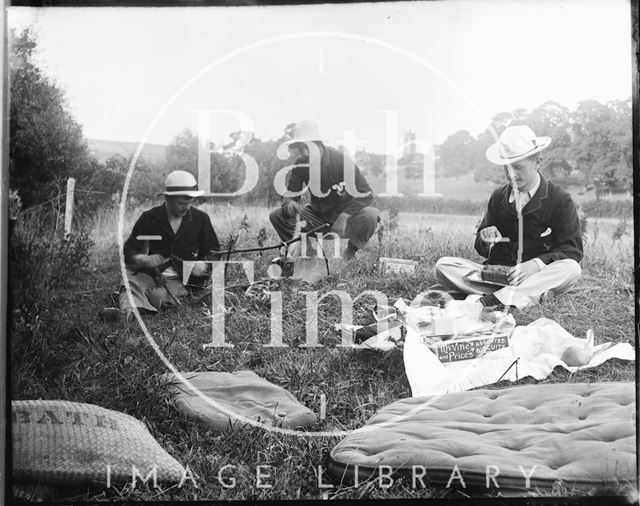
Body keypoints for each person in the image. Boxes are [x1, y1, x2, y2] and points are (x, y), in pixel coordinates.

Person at [434, 125, 583, 309]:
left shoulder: (560, 199)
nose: (512, 174)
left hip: (535, 276)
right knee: (444, 266)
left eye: (518, 168)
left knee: (571, 269)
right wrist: (485, 240)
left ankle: (495, 299)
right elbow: (481, 246)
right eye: (507, 168)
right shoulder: (498, 197)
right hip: (497, 277)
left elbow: (572, 250)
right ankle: (517, 296)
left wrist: (535, 265)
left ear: (538, 161)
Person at [100, 170, 219, 320]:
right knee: (131, 280)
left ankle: (134, 300)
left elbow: (214, 251)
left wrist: (204, 264)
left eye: (189, 202)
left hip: (182, 280)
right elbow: (130, 249)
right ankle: (129, 313)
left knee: (156, 296)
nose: (186, 207)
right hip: (151, 274)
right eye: (181, 203)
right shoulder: (149, 218)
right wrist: (141, 259)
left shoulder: (200, 219)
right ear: (168, 199)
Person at [269, 120, 379, 260]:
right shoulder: (300, 163)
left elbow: (366, 194)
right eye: (301, 148)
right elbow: (290, 193)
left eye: (308, 147)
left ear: (319, 144)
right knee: (277, 215)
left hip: (348, 221)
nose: (305, 153)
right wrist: (289, 204)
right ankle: (309, 255)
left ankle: (350, 254)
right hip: (318, 218)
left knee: (370, 216)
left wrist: (345, 215)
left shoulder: (342, 161)